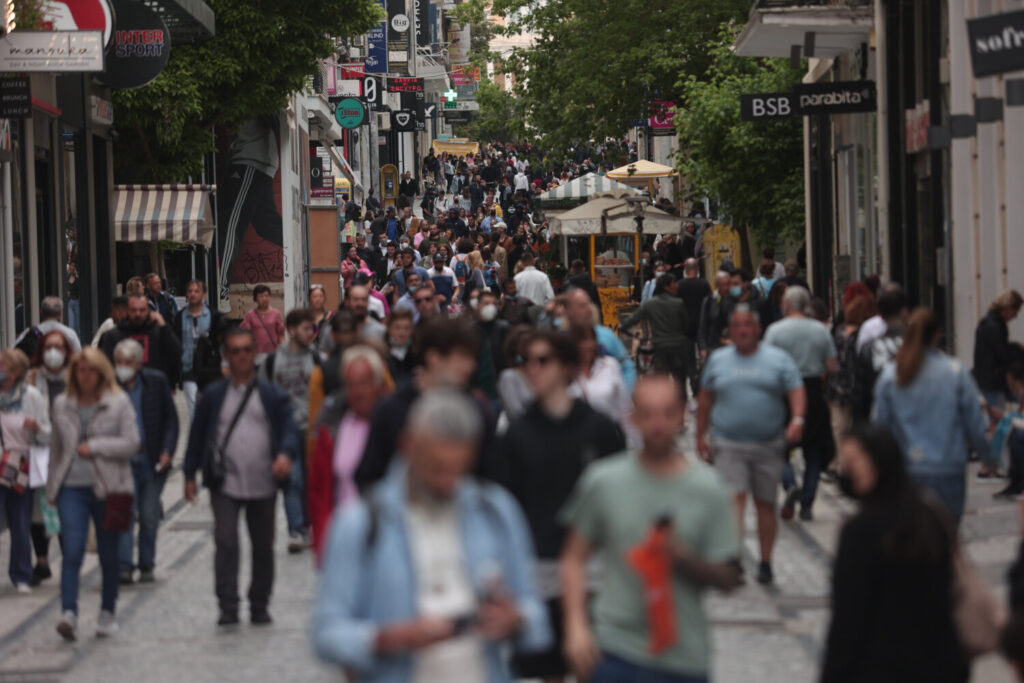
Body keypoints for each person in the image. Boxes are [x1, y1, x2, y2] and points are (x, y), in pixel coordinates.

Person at [315, 389, 551, 680]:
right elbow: (326, 634)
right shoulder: (359, 523)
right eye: (437, 468)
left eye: (459, 469)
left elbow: (538, 619)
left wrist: (516, 619)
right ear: (409, 446)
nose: (448, 482)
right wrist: (385, 639)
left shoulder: (496, 512)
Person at [561, 375, 741, 683]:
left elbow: (729, 577)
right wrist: (576, 627)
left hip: (682, 657)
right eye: (647, 413)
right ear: (633, 418)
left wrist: (682, 557)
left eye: (667, 413)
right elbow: (574, 556)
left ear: (681, 415)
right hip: (615, 648)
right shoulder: (604, 481)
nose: (657, 424)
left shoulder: (709, 489)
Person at [497, 329, 625, 681]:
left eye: (543, 360)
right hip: (538, 569)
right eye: (526, 362)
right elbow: (506, 506)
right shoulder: (517, 433)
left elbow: (618, 498)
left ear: (567, 366)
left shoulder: (598, 429)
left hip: (593, 570)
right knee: (549, 671)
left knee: (591, 666)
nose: (533, 369)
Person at [820, 425, 968, 683]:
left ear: (879, 460)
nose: (847, 471)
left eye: (854, 462)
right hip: (935, 664)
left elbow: (848, 619)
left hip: (878, 666)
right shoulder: (929, 512)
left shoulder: (861, 531)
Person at [183, 327, 300, 626]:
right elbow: (197, 436)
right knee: (226, 542)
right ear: (227, 356)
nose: (242, 356)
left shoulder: (271, 395)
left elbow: (289, 428)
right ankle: (228, 604)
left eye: (247, 350)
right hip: (226, 482)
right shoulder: (213, 396)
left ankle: (259, 603)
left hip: (263, 481)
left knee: (263, 545)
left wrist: (285, 454)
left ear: (254, 354)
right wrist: (189, 474)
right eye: (235, 351)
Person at [696, 307, 805, 585]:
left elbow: (796, 388)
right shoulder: (719, 360)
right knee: (735, 500)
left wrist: (797, 419)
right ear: (731, 331)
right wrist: (700, 434)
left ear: (757, 329)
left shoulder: (777, 359)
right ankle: (734, 558)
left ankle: (766, 561)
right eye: (738, 325)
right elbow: (706, 397)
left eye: (748, 325)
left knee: (765, 504)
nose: (743, 330)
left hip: (768, 443)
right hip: (729, 442)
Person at [48, 347, 140, 640]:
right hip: (71, 487)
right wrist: (52, 487)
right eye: (80, 370)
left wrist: (96, 447)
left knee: (108, 553)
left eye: (91, 370)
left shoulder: (118, 402)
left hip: (108, 486)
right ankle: (69, 613)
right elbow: (56, 449)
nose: (86, 376)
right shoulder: (62, 404)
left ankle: (107, 612)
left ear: (101, 373)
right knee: (71, 550)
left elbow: (131, 443)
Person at [873, 308, 989, 525]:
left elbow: (880, 426)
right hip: (948, 468)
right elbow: (975, 422)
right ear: (938, 334)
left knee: (913, 541)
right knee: (946, 538)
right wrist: (988, 456)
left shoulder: (891, 375)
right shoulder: (955, 372)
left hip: (906, 470)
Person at [355, 317, 498, 492]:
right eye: (462, 357)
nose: (471, 366)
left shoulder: (478, 410)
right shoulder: (392, 410)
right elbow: (368, 477)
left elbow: (491, 479)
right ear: (434, 358)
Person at [307, 346, 389, 563]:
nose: (358, 391)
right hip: (343, 538)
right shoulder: (333, 425)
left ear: (379, 384)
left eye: (365, 383)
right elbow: (318, 487)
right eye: (352, 384)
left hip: (386, 538)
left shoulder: (394, 424)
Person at [764, 287, 838, 521]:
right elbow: (832, 365)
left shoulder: (775, 331)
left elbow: (766, 364)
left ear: (786, 304)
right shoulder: (820, 330)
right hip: (813, 391)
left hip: (784, 393)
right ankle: (807, 502)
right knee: (814, 449)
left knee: (779, 447)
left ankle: (789, 483)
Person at [112, 339, 178, 585]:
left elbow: (171, 421)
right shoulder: (111, 388)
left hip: (151, 459)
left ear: (139, 363)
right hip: (122, 461)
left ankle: (147, 563)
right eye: (119, 362)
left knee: (149, 515)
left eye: (128, 362)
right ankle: (124, 566)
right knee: (125, 514)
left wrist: (167, 451)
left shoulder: (156, 382)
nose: (122, 367)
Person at [260, 308, 319, 553]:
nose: (311, 333)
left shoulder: (316, 359)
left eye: (312, 328)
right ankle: (296, 529)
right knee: (291, 480)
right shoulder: (273, 360)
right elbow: (263, 395)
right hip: (285, 430)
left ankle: (307, 524)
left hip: (311, 429)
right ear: (292, 330)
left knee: (308, 480)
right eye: (306, 328)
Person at [0, 348, 51, 594]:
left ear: (15, 371)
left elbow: (48, 433)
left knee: (20, 521)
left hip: (20, 463)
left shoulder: (30, 396)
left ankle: (21, 573)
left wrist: (37, 427)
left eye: (3, 366)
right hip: (0, 461)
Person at [25, 331, 72, 585]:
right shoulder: (32, 379)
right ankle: (41, 561)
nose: (54, 351)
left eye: (59, 346)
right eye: (49, 346)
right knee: (38, 510)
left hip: (69, 452)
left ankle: (69, 560)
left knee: (67, 505)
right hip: (39, 452)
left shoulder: (75, 379)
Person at [98, 293, 182, 389]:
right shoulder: (113, 335)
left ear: (149, 311)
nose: (138, 314)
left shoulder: (157, 333)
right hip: (122, 389)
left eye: (142, 310)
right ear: (127, 311)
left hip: (153, 388)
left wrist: (164, 327)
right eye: (133, 310)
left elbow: (177, 353)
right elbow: (104, 365)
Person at [620, 273, 689, 388]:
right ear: (666, 287)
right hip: (679, 348)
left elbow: (630, 320)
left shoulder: (650, 305)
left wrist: (623, 327)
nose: (677, 285)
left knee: (661, 381)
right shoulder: (679, 303)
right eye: (674, 283)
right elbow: (686, 325)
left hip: (660, 349)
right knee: (680, 382)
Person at [851, 287, 908, 422]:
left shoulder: (869, 350)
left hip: (879, 427)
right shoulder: (919, 348)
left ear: (880, 315)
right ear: (904, 312)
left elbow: (860, 397)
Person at [564, 288, 637, 392]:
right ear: (568, 310)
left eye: (588, 304)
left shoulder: (606, 336)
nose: (588, 309)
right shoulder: (561, 337)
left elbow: (627, 367)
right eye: (581, 306)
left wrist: (626, 392)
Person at [173, 279, 223, 418]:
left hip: (210, 369)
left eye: (197, 291)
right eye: (190, 291)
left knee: (212, 407)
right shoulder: (179, 317)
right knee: (194, 408)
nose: (193, 294)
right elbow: (176, 343)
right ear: (186, 295)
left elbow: (221, 343)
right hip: (188, 368)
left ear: (204, 294)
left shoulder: (213, 316)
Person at [975, 290, 1023, 419]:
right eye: (1015, 312)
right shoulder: (994, 326)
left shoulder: (992, 323)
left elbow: (999, 346)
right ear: (1007, 308)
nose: (1015, 316)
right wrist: (1019, 352)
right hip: (993, 383)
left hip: (993, 380)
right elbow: (1003, 354)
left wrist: (1015, 346)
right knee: (996, 419)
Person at [677, 259, 712, 398]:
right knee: (705, 356)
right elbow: (710, 304)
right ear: (697, 269)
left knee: (690, 359)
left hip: (685, 328)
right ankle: (702, 383)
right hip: (702, 326)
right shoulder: (704, 285)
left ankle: (692, 381)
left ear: (685, 270)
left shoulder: (679, 285)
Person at [14, 295, 82, 358]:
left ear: (41, 312)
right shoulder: (70, 334)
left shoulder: (30, 332)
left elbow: (13, 352)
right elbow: (79, 357)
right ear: (61, 314)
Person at [239, 285, 284, 362]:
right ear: (255, 299)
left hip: (273, 353)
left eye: (266, 296)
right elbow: (244, 333)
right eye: (261, 296)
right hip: (256, 354)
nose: (264, 299)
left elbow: (281, 334)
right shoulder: (250, 315)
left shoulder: (276, 313)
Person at [697, 271, 735, 361]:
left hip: (733, 346)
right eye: (723, 284)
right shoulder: (709, 301)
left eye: (728, 284)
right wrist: (703, 347)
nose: (726, 288)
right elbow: (703, 326)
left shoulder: (735, 300)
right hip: (714, 346)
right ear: (717, 285)